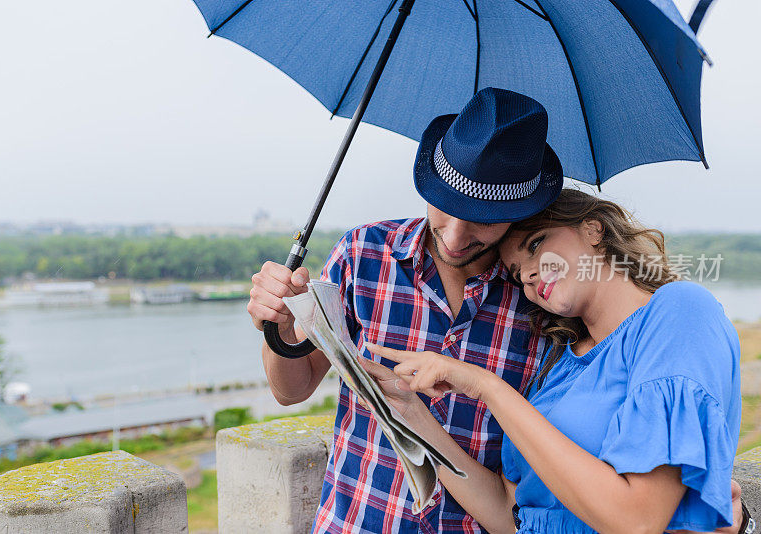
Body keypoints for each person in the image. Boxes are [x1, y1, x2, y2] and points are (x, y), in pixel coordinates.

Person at [247, 88, 744, 533]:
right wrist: (281, 328)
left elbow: (624, 496)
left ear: (518, 214)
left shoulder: (546, 317)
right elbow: (289, 390)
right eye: (445, 207)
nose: (457, 237)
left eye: (485, 220)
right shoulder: (362, 253)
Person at [363, 188, 743, 533]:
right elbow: (507, 513)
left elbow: (637, 520)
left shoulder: (679, 311)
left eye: (535, 244)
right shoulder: (559, 363)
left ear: (593, 230)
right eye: (515, 274)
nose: (527, 275)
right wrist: (408, 412)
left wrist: (486, 386)